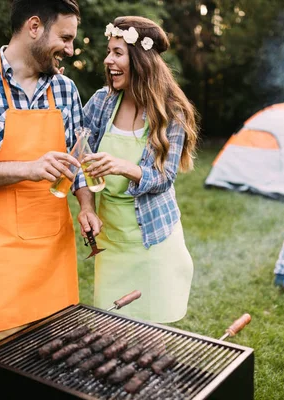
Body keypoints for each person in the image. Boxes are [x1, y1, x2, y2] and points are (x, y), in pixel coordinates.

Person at [0, 0, 101, 346]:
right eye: (67, 38)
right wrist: (29, 168)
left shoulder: (65, 90)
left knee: (58, 357)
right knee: (7, 361)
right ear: (34, 27)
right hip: (2, 253)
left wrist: (86, 205)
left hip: (54, 249)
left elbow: (79, 157)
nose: (71, 50)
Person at [80, 16, 199, 323]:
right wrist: (87, 207)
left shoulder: (171, 113)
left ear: (141, 59)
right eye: (109, 52)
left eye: (117, 52)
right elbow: (79, 161)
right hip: (112, 243)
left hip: (154, 242)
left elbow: (163, 177)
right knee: (111, 331)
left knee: (151, 338)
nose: (108, 60)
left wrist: (124, 167)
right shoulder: (100, 103)